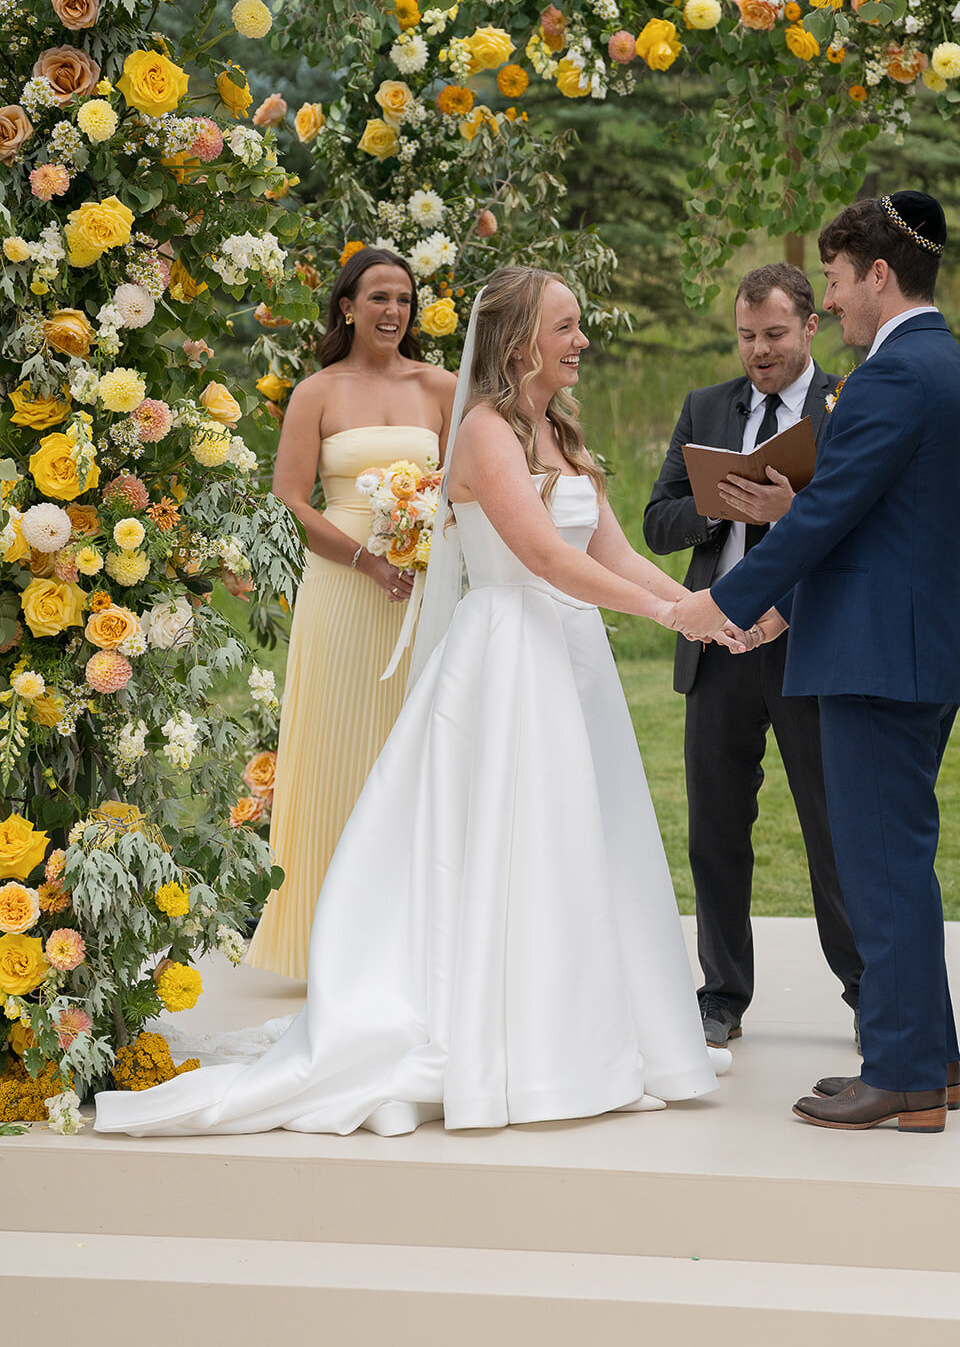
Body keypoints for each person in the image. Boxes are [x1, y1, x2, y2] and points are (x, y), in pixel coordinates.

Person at [94, 267, 721, 1139]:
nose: (581, 341)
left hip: (572, 661)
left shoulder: (560, 431)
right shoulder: (485, 433)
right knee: (514, 839)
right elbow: (540, 556)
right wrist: (670, 612)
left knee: (590, 834)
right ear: (518, 343)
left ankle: (599, 1023)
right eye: (567, 327)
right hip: (510, 655)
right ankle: (515, 1040)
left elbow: (609, 550)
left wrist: (709, 614)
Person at [672, 192, 960, 1133]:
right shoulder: (934, 366)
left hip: (875, 663)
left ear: (877, 276)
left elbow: (824, 515)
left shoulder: (897, 375)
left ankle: (897, 1073)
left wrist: (718, 603)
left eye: (841, 282)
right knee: (894, 866)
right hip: (894, 651)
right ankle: (930, 1063)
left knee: (880, 870)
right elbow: (874, 530)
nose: (837, 303)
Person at [644, 264, 861, 1049]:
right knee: (714, 831)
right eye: (745, 336)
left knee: (829, 828)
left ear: (808, 327)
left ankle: (868, 996)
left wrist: (789, 509)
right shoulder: (706, 407)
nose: (757, 351)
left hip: (809, 645)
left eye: (772, 335)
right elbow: (655, 520)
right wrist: (719, 503)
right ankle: (721, 995)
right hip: (717, 645)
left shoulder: (848, 404)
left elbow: (857, 522)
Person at [244, 248, 455, 980]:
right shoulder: (318, 392)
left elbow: (471, 488)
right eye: (377, 298)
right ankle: (325, 943)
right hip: (342, 590)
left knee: (414, 754)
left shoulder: (442, 388)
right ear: (346, 306)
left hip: (423, 598)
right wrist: (368, 560)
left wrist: (432, 544)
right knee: (337, 751)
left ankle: (410, 942)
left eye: (403, 299)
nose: (392, 311)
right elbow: (290, 500)